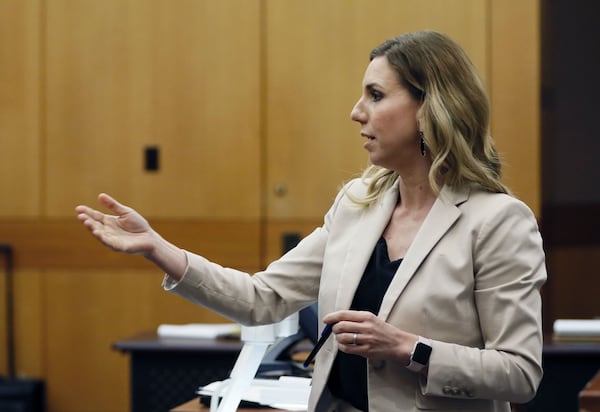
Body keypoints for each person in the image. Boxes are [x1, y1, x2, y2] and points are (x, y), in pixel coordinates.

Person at [76, 30, 546, 412]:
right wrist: (158, 248)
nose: (356, 111)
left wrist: (408, 347)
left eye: (376, 95)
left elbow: (519, 374)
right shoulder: (357, 204)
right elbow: (263, 299)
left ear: (430, 109)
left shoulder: (498, 222)